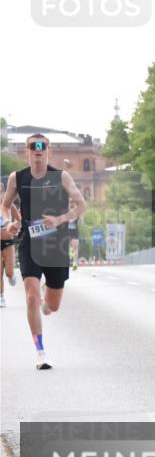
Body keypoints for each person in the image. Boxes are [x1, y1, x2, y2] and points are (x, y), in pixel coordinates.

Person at [1, 134, 87, 369]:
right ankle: (41, 353)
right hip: (30, 242)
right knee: (30, 295)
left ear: (49, 149)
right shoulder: (16, 178)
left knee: (52, 306)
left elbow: (81, 205)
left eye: (42, 146)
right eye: (33, 146)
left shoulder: (61, 176)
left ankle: (46, 300)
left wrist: (60, 218)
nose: (37, 150)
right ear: (27, 151)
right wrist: (10, 222)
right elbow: (6, 205)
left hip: (55, 245)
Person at [1, 201, 20, 308]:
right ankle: (1, 296)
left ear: (4, 193)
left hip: (8, 242)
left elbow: (19, 220)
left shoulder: (9, 206)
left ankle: (11, 275)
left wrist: (16, 227)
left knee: (8, 273)